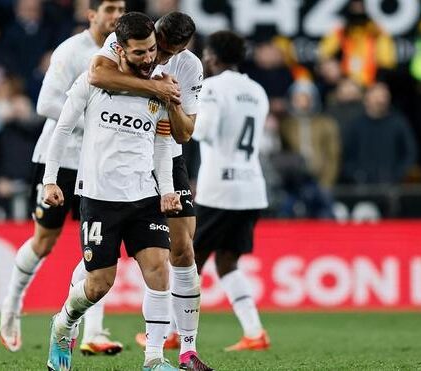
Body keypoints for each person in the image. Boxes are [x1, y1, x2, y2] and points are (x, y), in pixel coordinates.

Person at [43, 12, 181, 371]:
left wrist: (166, 189)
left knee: (157, 268)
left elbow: (163, 145)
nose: (149, 58)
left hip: (144, 196)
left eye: (151, 50)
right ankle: (63, 325)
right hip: (99, 198)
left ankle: (153, 358)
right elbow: (62, 129)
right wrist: (50, 179)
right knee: (99, 285)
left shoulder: (161, 87)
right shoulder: (92, 81)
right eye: (139, 53)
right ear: (119, 49)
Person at [81, 11, 213, 371]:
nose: (160, 59)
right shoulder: (131, 42)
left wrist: (170, 100)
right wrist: (156, 88)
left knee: (182, 250)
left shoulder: (190, 67)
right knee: (100, 266)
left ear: (184, 49)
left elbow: (185, 132)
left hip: (166, 152)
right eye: (159, 50)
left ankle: (187, 349)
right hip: (121, 157)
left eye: (170, 54)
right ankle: (74, 319)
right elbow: (97, 74)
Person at [0, 0, 126, 354]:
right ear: (92, 15)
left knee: (98, 246)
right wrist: (95, 123)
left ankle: (93, 333)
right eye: (110, 9)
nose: (117, 15)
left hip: (97, 163)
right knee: (44, 242)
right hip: (59, 159)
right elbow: (45, 104)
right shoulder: (72, 51)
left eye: (122, 8)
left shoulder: (125, 54)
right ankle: (11, 306)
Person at [192, 30, 271, 351]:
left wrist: (180, 116)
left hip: (219, 187)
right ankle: (254, 332)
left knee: (186, 260)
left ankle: (170, 331)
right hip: (251, 186)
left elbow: (203, 130)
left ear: (212, 57)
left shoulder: (211, 88)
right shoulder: (258, 91)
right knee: (227, 262)